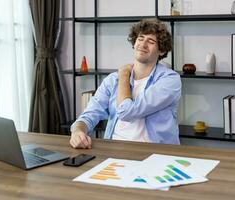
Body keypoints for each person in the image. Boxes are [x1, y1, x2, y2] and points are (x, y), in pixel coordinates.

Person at [70, 18, 181, 149]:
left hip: (155, 153)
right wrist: (78, 131)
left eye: (151, 41)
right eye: (140, 38)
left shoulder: (170, 80)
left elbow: (127, 112)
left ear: (161, 50)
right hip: (115, 148)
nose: (143, 44)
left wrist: (124, 74)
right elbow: (90, 114)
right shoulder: (112, 80)